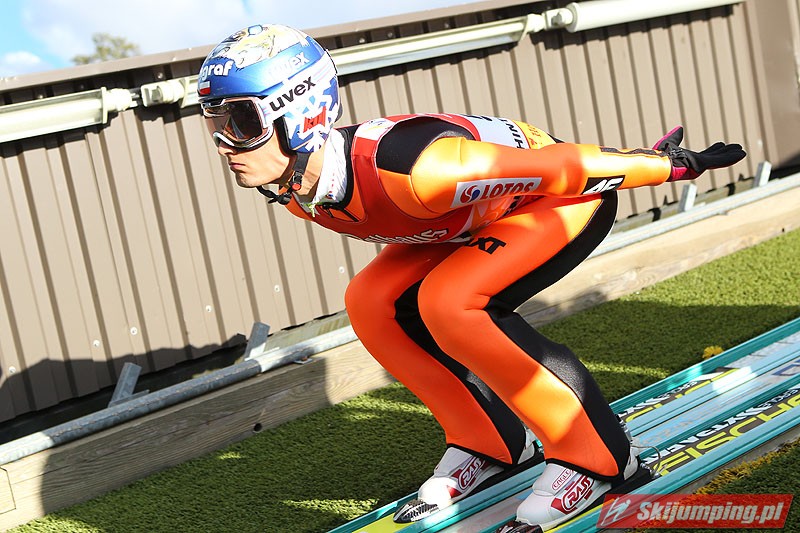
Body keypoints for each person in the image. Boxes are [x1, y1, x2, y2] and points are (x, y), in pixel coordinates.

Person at [197, 24, 746, 531]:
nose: (224, 143)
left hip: (557, 198)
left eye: (240, 122)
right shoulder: (297, 185)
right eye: (215, 123)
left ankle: (600, 459)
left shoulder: (418, 171)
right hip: (471, 217)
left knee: (451, 301)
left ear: (301, 112)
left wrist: (668, 164)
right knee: (370, 302)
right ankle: (491, 444)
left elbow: (563, 168)